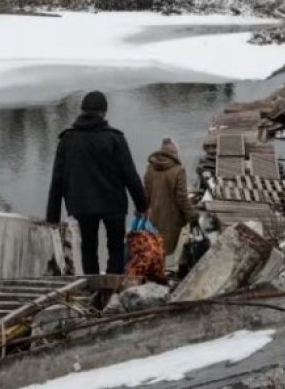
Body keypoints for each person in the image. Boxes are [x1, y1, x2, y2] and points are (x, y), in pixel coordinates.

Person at [46, 90, 148, 275]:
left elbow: (58, 179)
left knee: (88, 248)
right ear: (104, 112)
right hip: (113, 204)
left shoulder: (68, 140)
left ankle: (92, 286)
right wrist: (142, 204)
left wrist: (52, 216)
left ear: (82, 110)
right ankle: (111, 286)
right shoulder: (115, 138)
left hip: (83, 205)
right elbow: (130, 175)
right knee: (116, 247)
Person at [143, 137, 199, 268]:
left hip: (153, 217)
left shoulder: (150, 168)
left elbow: (145, 194)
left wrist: (141, 211)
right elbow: (182, 198)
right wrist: (192, 215)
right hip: (172, 219)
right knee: (172, 251)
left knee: (156, 248)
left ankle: (154, 274)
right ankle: (169, 274)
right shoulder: (178, 170)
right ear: (174, 154)